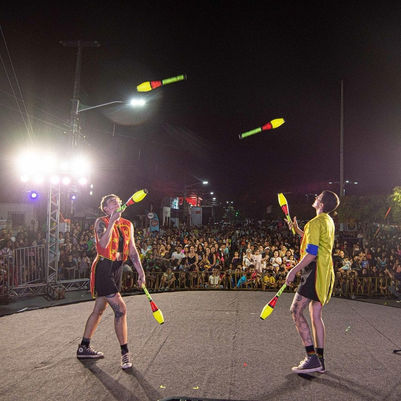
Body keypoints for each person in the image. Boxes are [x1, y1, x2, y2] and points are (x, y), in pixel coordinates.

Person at [76, 194, 146, 370]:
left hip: (117, 268)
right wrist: (112, 222)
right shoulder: (101, 222)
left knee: (99, 309)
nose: (117, 204)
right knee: (121, 310)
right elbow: (102, 245)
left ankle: (83, 347)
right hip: (104, 267)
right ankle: (125, 353)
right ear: (106, 209)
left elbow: (132, 250)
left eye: (118, 202)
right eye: (112, 203)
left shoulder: (128, 224)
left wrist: (140, 272)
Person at [285, 190, 340, 374]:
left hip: (314, 272)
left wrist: (293, 271)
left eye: (318, 197)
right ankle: (320, 361)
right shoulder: (328, 221)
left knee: (295, 310)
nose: (315, 198)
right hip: (326, 272)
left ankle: (311, 357)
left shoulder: (315, 222)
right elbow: (317, 241)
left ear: (321, 204)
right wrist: (298, 230)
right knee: (316, 315)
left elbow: (311, 252)